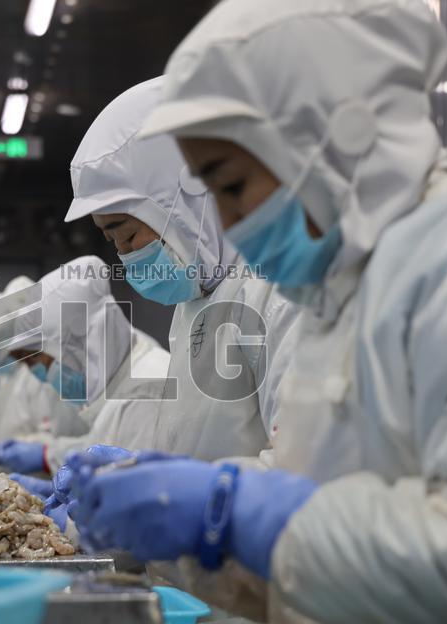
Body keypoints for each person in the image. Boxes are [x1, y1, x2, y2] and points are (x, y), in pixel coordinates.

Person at [67, 0, 447, 624]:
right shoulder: (339, 296)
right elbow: (322, 581)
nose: (228, 226)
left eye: (232, 185)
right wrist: (203, 536)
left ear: (331, 137)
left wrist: (241, 514)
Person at [61, 77, 299, 467]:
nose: (125, 255)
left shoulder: (279, 288)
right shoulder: (195, 304)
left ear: (182, 201)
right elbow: (198, 447)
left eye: (127, 234)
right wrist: (143, 472)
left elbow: (303, 470)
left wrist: (199, 495)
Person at [0, 255, 170, 475]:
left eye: (35, 359)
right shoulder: (110, 388)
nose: (36, 372)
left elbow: (138, 486)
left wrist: (47, 457)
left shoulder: (146, 388)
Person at [0, 275, 88, 450]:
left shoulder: (56, 376)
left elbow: (85, 440)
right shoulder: (17, 379)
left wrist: (40, 453)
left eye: (29, 355)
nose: (25, 362)